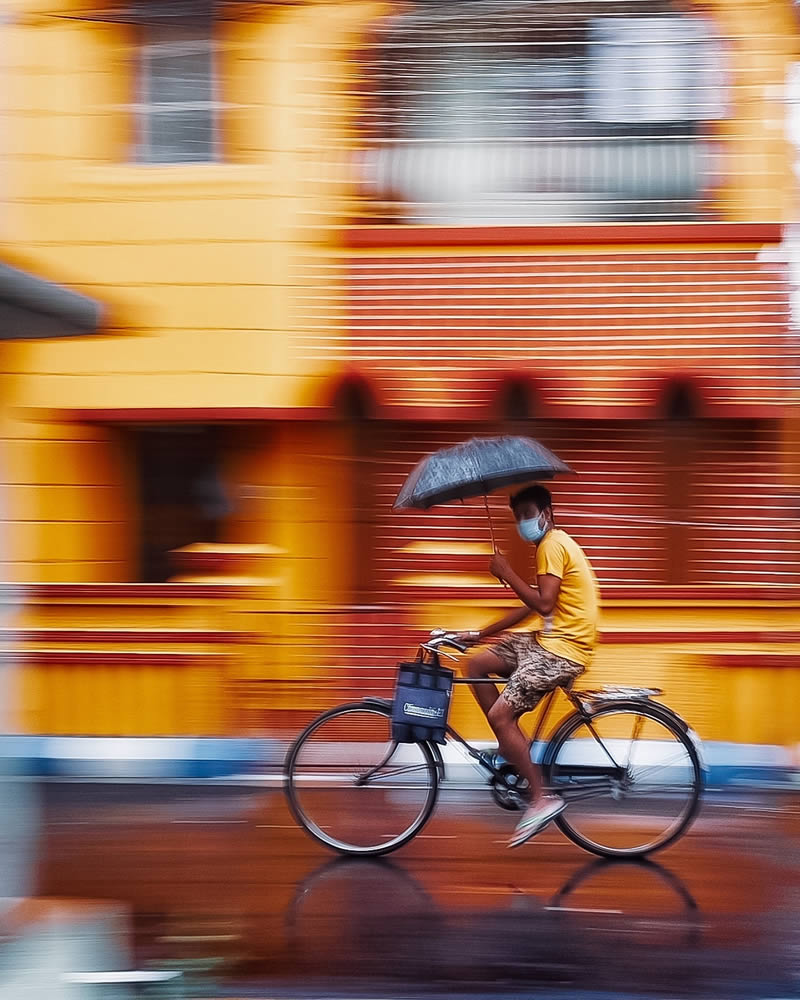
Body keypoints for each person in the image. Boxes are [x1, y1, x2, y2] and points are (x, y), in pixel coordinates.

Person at [456, 484, 600, 848]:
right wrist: (480, 634)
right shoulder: (551, 546)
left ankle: (541, 798)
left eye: (527, 515)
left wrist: (506, 571)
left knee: (500, 716)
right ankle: (510, 743)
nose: (522, 522)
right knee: (475, 664)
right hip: (547, 642)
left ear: (546, 514)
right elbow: (533, 607)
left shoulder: (552, 544)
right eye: (517, 516)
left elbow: (545, 604)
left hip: (563, 651)